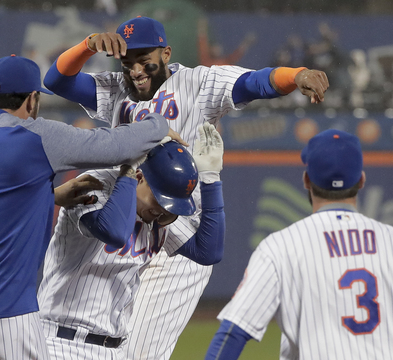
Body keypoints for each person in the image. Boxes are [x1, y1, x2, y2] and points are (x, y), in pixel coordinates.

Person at [43, 16, 329, 360]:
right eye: (127, 61)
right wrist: (87, 45)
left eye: (144, 58)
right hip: (131, 219)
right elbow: (57, 80)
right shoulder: (117, 88)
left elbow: (255, 83)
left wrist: (295, 75)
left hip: (179, 229)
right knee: (108, 344)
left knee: (140, 353)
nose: (135, 69)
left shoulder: (198, 82)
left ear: (166, 53)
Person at [0, 54, 181, 360]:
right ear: (32, 100)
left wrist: (51, 195)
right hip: (2, 313)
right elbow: (118, 147)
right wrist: (158, 122)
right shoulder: (34, 136)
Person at [38, 122, 225, 360]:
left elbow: (209, 251)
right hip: (59, 344)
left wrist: (211, 178)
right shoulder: (97, 184)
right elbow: (115, 232)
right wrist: (127, 168)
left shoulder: (157, 214)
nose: (162, 210)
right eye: (160, 200)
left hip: (114, 349)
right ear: (139, 177)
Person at [205, 129, 393, 360]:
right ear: (361, 179)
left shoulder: (281, 246)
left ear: (306, 180)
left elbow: (232, 333)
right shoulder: (389, 240)